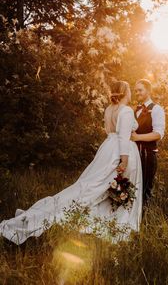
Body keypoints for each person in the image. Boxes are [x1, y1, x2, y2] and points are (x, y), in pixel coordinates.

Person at [0, 81, 143, 245]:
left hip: (108, 148)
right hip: (119, 151)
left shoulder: (110, 110)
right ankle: (113, 217)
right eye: (130, 90)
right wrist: (124, 161)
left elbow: (108, 132)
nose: (132, 93)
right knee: (110, 185)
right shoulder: (125, 111)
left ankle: (102, 212)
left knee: (97, 185)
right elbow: (124, 137)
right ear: (125, 92)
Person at [131, 79, 165, 207]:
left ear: (148, 91)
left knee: (145, 189)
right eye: (135, 91)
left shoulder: (157, 109)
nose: (137, 93)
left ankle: (143, 222)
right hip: (133, 154)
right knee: (132, 187)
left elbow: (158, 134)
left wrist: (137, 137)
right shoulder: (134, 110)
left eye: (140, 90)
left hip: (147, 155)